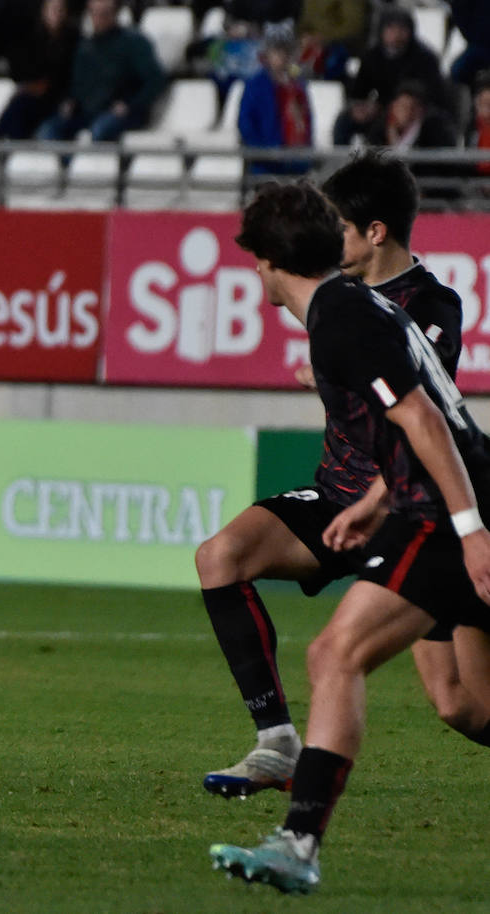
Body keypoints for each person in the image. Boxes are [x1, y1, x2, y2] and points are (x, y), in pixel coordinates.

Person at [208, 181, 490, 894]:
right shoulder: (350, 308)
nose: (255, 272)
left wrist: (470, 529)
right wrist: (377, 499)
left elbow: (427, 423)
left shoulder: (343, 321)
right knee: (460, 702)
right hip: (424, 507)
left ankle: (299, 845)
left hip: (449, 513)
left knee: (340, 655)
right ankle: (297, 842)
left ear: (272, 261)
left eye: (256, 259)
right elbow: (417, 424)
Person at [36, 0, 165, 143]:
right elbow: (75, 84)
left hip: (120, 112)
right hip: (86, 112)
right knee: (48, 129)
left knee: (100, 130)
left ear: (115, 12)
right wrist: (70, 100)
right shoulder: (85, 46)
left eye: (104, 13)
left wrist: (130, 105)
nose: (98, 17)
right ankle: (65, 164)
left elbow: (156, 80)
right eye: (94, 12)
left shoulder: (134, 42)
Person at [333, 6, 447, 148]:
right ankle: (340, 162)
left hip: (417, 112)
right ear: (381, 31)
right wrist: (363, 107)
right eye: (391, 28)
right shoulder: (372, 56)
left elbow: (435, 96)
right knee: (345, 119)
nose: (396, 34)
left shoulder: (425, 58)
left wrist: (407, 107)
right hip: (384, 111)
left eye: (402, 29)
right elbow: (359, 92)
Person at [0, 0, 79, 140]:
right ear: (44, 12)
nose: (57, 14)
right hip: (36, 97)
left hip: (58, 99)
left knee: (21, 105)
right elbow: (23, 69)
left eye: (60, 10)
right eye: (53, 9)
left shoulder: (73, 40)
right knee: (20, 104)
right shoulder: (34, 38)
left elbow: (68, 75)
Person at [237, 31, 310, 174]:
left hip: (294, 158)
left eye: (286, 52)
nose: (282, 57)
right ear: (268, 55)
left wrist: (304, 147)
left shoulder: (297, 86)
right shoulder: (255, 85)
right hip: (264, 160)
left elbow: (306, 119)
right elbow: (245, 122)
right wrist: (263, 151)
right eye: (277, 52)